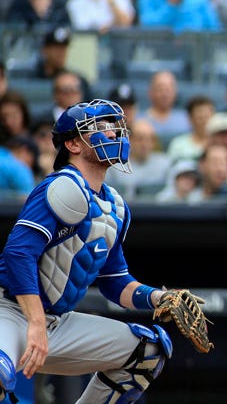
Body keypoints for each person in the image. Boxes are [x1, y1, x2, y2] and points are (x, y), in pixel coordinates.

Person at [0, 99, 182, 403]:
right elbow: (18, 253)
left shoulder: (115, 206)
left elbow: (115, 281)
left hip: (57, 322)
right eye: (99, 128)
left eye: (114, 128)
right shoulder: (62, 187)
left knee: (148, 351)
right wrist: (34, 323)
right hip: (11, 313)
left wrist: (158, 297)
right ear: (72, 143)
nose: (112, 134)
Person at [65, 0, 135, 32]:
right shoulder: (75, 1)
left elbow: (125, 23)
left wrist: (111, 1)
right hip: (89, 45)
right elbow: (83, 27)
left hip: (116, 44)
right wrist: (112, 24)